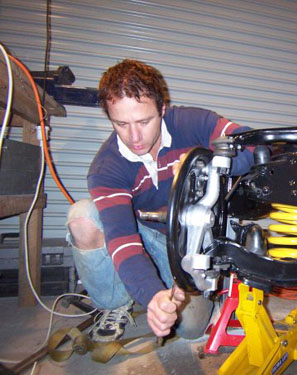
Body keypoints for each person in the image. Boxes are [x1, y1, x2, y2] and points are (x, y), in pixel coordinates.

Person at [66, 59, 254, 342]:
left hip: (187, 240)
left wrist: (203, 165)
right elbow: (123, 239)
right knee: (82, 216)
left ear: (162, 109)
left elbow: (253, 147)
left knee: (189, 327)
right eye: (122, 124)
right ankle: (114, 305)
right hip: (145, 231)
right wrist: (152, 296)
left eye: (144, 121)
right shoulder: (106, 168)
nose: (135, 136)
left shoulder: (192, 122)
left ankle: (193, 290)